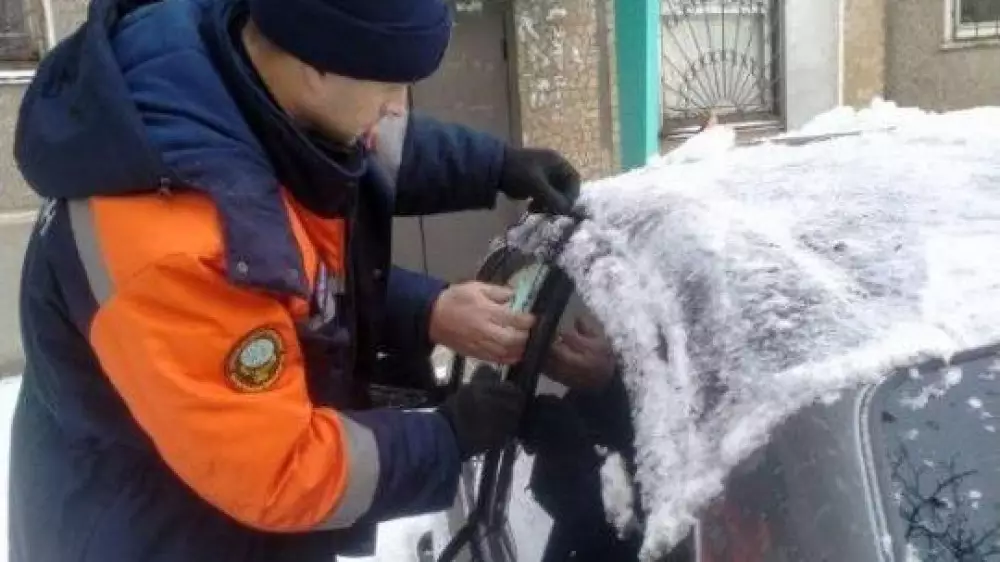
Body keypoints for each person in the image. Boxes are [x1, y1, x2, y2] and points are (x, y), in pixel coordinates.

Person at [8, 0, 581, 559]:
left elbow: (359, 154)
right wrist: (448, 438)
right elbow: (276, 468)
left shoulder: (232, 58)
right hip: (158, 527)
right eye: (388, 86)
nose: (396, 107)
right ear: (316, 66)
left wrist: (494, 168)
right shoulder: (176, 238)